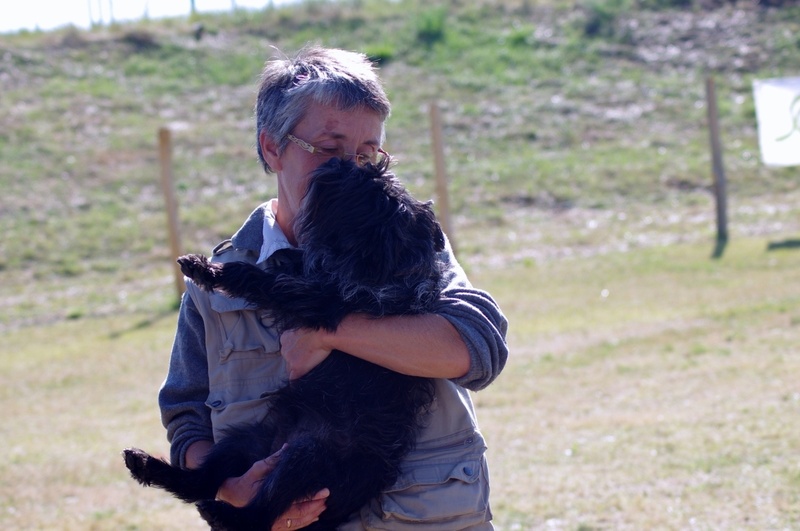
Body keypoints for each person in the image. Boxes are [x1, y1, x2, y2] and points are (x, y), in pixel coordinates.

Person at [158, 45, 509, 530]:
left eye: (366, 154)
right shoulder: (216, 280)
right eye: (328, 150)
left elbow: (477, 349)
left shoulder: (405, 243)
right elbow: (186, 418)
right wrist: (229, 491)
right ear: (271, 148)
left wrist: (328, 332)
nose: (349, 170)